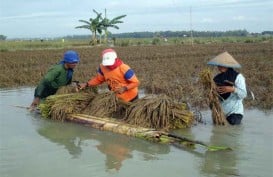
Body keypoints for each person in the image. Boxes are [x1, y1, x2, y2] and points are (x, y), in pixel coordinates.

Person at [207, 51, 247, 125]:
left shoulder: (238, 77)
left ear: (227, 65)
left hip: (235, 113)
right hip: (220, 113)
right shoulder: (216, 78)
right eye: (218, 65)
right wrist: (213, 91)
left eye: (221, 65)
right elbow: (212, 95)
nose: (219, 67)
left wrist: (232, 89)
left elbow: (244, 94)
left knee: (232, 129)